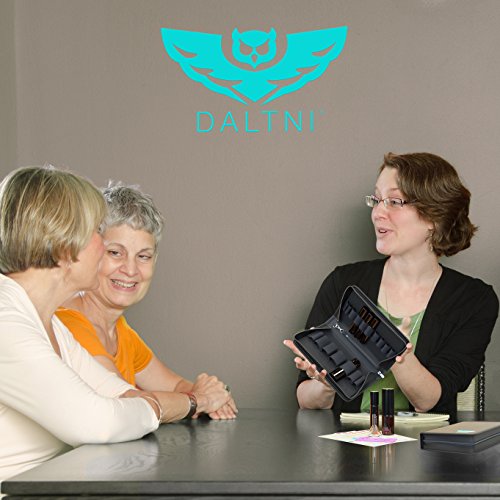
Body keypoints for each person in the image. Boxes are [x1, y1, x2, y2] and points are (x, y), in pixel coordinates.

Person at [284, 152, 498, 419]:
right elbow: (306, 400)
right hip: (345, 443)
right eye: (376, 200)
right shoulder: (343, 282)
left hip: (425, 445)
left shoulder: (474, 300)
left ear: (434, 217)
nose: (377, 213)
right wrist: (326, 384)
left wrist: (394, 349)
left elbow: (430, 399)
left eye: (394, 202)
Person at [0, 166, 162, 484]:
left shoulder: (50, 326)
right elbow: (98, 421)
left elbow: (116, 393)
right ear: (64, 244)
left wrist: (146, 403)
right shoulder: (5, 321)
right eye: (96, 232)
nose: (103, 246)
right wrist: (154, 407)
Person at [56, 182, 237, 420]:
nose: (130, 270)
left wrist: (212, 394)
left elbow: (176, 387)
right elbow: (126, 406)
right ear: (89, 252)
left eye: (143, 256)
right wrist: (200, 400)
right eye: (115, 253)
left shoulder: (121, 332)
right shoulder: (68, 323)